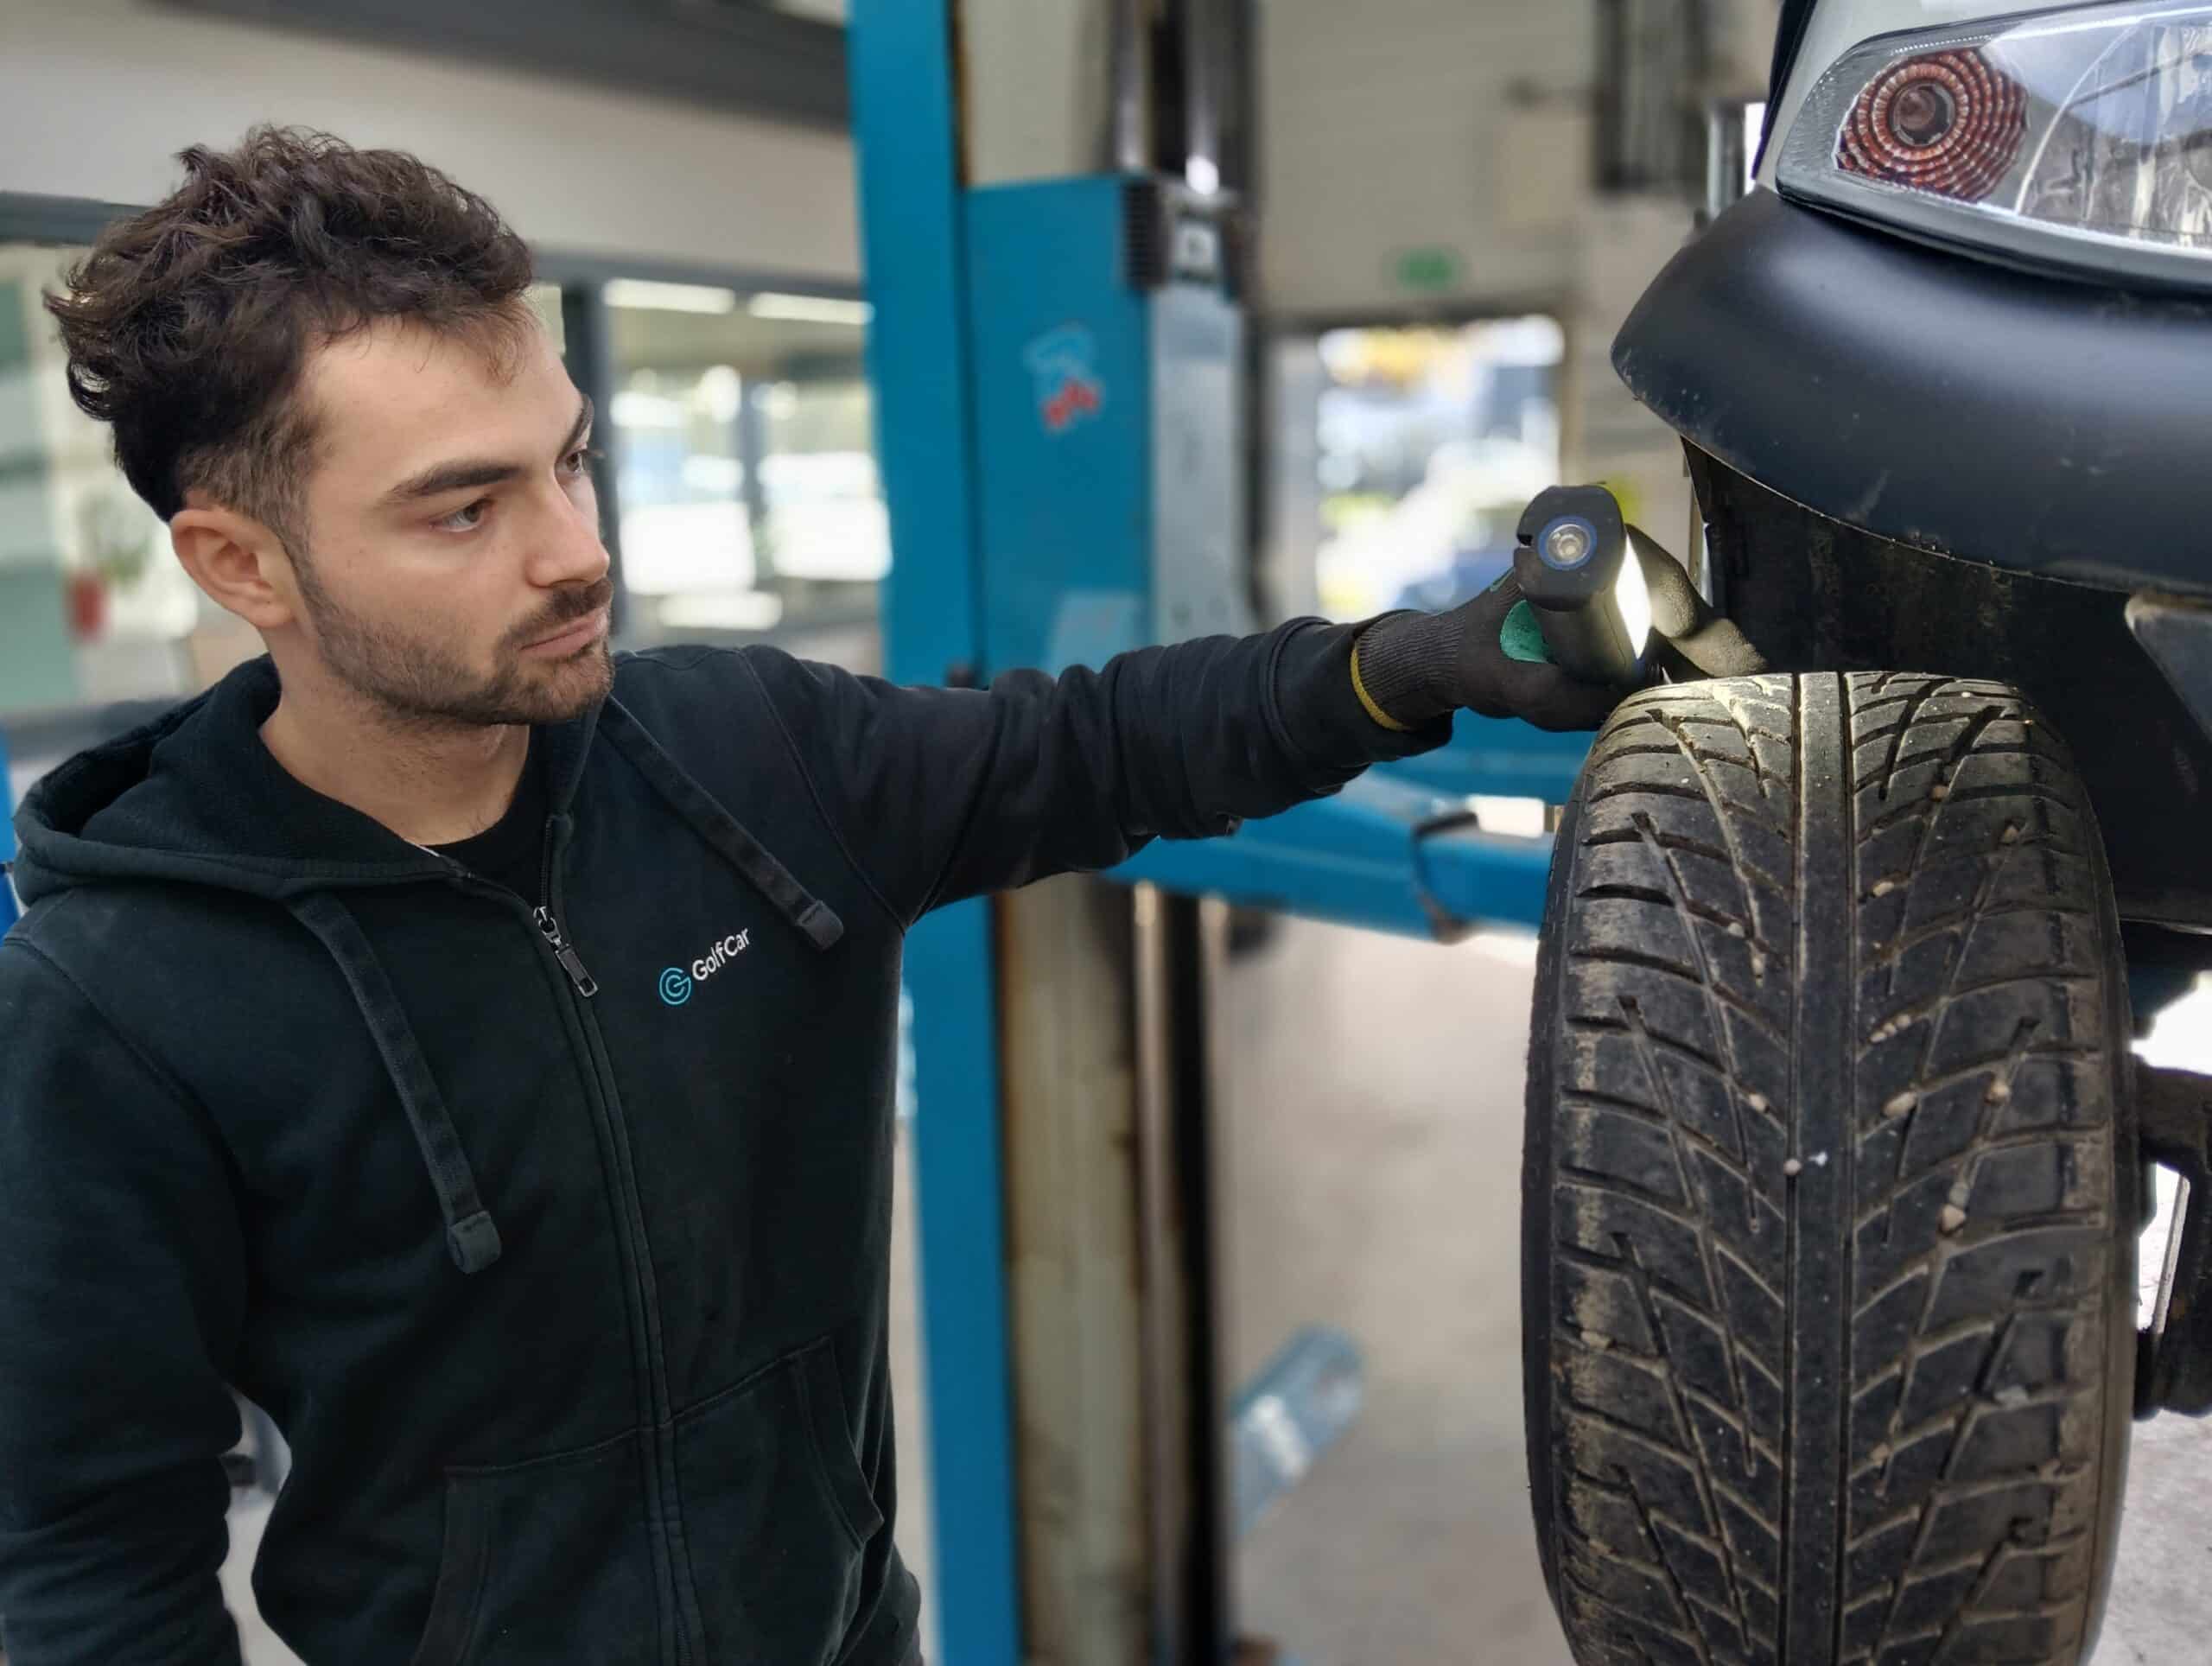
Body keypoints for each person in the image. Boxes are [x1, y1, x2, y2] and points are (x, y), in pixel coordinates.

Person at [0, 129, 1732, 1665]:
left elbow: (1097, 747)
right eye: (463, 508)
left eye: (570, 460)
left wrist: (1403, 666)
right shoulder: (122, 994)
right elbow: (84, 1545)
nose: (575, 548)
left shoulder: (748, 758)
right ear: (241, 565)